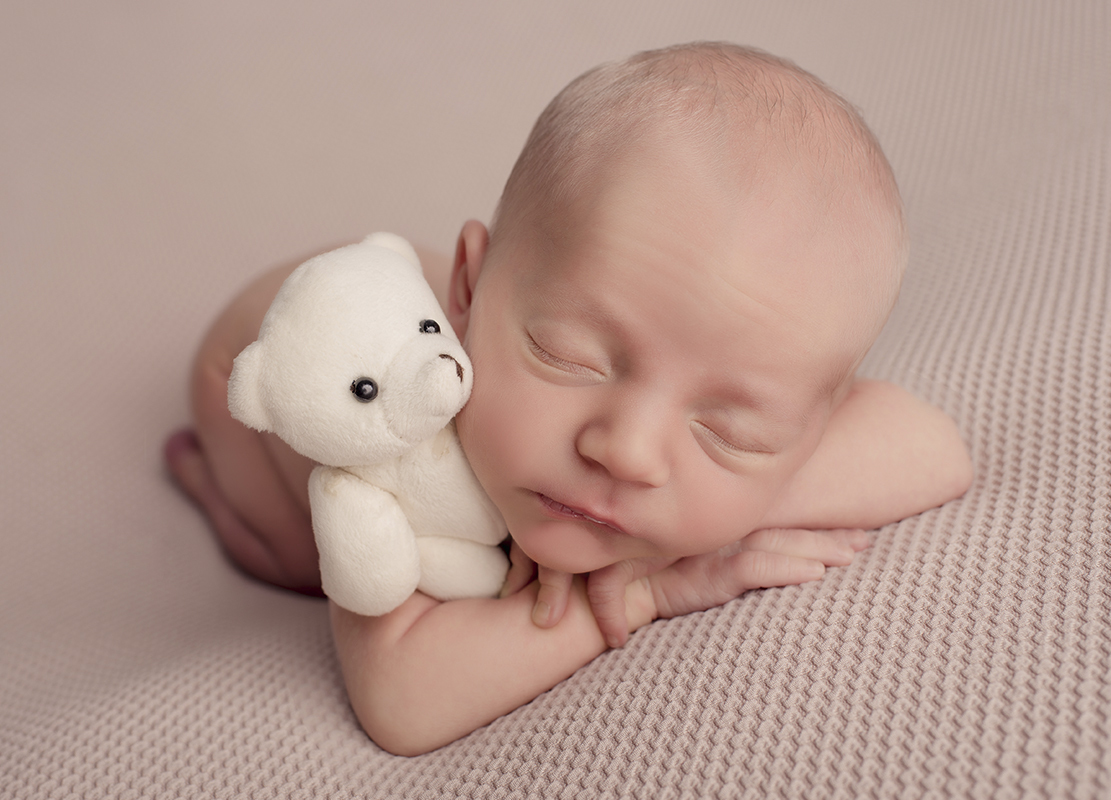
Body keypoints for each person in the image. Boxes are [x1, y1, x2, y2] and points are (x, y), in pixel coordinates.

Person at [165, 42, 973, 755]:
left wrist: (704, 517)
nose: (626, 451)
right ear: (467, 293)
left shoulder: (705, 373)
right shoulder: (397, 436)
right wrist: (644, 589)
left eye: (731, 432)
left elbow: (935, 450)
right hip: (251, 374)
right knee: (301, 562)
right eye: (570, 356)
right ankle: (215, 491)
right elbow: (402, 702)